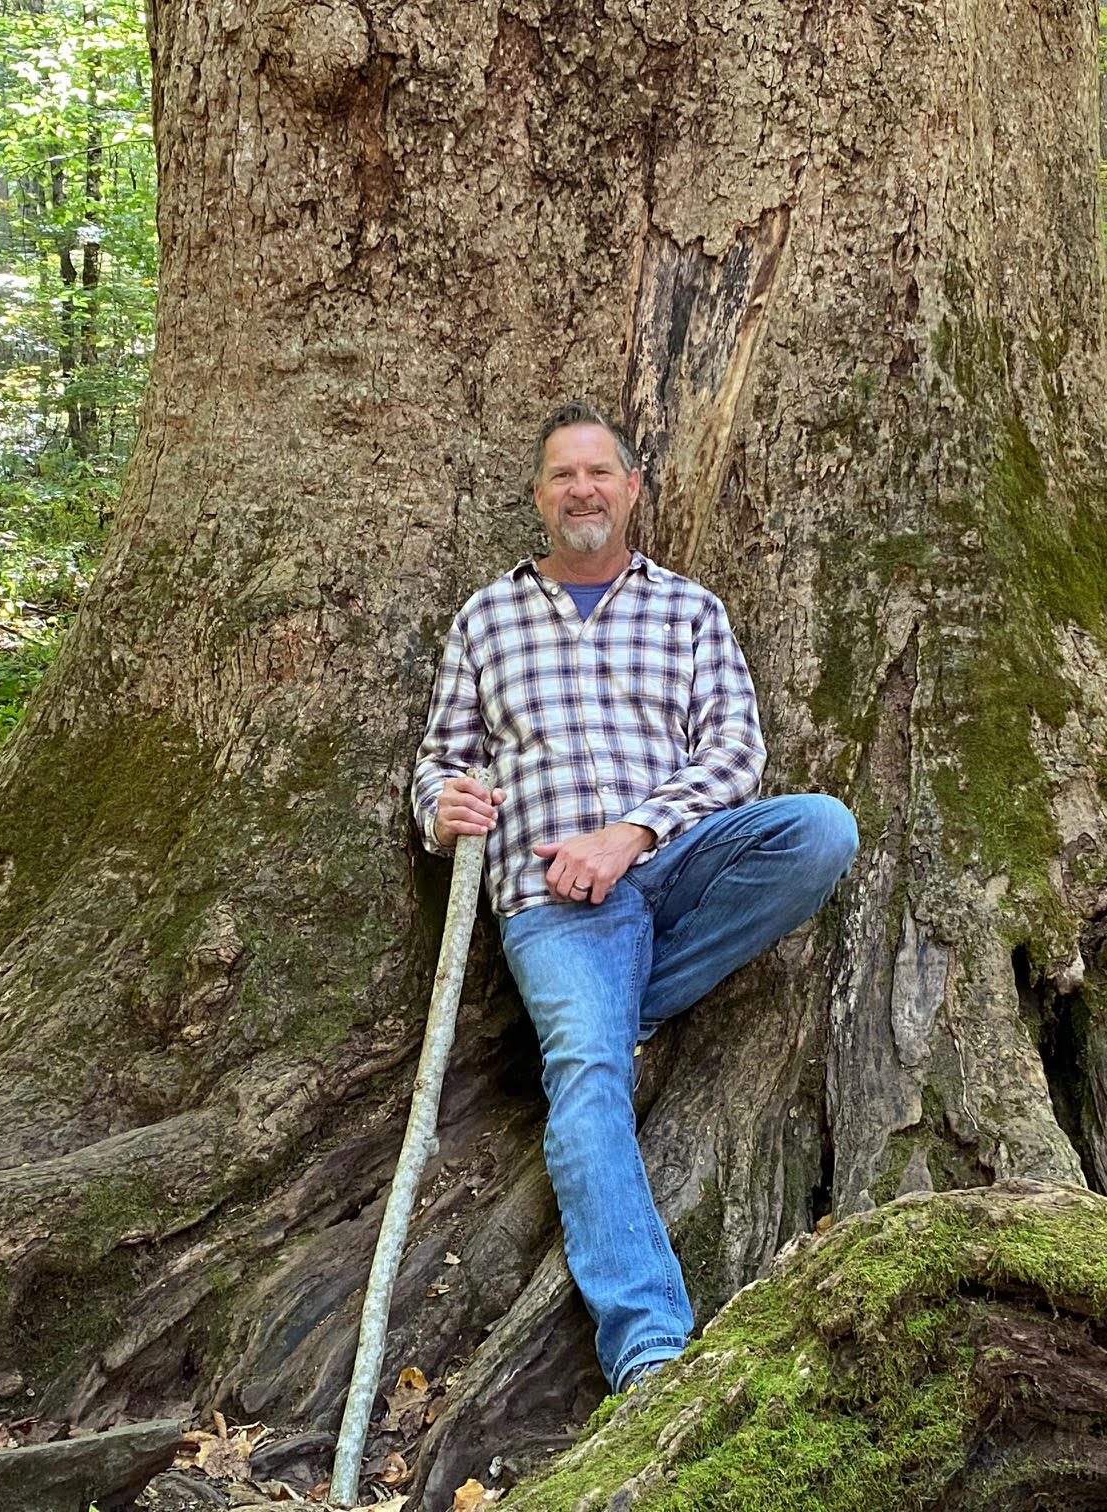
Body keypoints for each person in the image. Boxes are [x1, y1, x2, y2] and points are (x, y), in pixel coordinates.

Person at [411, 399, 859, 1394]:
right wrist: (445, 808)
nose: (582, 490)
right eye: (563, 476)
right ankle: (651, 1346)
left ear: (632, 489)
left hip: (675, 859)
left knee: (822, 828)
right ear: (538, 496)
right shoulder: (488, 619)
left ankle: (628, 997)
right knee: (587, 1081)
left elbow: (736, 752)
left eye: (599, 473)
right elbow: (438, 768)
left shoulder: (688, 608)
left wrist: (633, 833)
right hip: (552, 899)